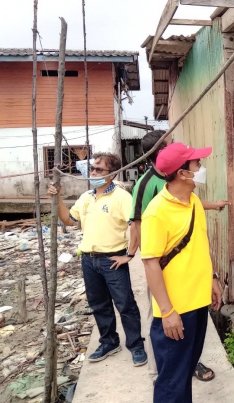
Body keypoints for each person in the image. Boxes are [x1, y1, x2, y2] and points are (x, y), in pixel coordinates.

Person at [129, 130, 226, 382]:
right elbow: (150, 264)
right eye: (197, 163)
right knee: (172, 382)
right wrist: (167, 311)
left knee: (185, 371)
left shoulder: (193, 201)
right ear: (182, 173)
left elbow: (200, 246)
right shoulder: (156, 212)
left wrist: (212, 279)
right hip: (176, 310)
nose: (201, 165)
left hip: (198, 302)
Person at [49, 152, 147, 366]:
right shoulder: (86, 197)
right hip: (89, 260)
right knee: (99, 304)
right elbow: (68, 219)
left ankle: (136, 344)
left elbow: (135, 225)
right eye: (92, 168)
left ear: (111, 174)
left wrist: (129, 255)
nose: (93, 172)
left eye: (99, 169)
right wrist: (57, 198)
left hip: (112, 260)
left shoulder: (122, 197)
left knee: (125, 304)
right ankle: (109, 342)